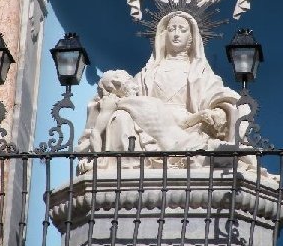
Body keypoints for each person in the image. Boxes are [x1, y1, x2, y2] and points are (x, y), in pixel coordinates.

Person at [77, 11, 240, 170]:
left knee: (194, 143)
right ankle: (126, 166)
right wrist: (109, 98)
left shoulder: (200, 72)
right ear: (163, 35)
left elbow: (218, 96)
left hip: (187, 124)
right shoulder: (148, 73)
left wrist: (219, 111)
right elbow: (129, 95)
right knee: (120, 116)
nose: (176, 34)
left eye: (182, 30)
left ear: (191, 38)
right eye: (171, 29)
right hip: (149, 122)